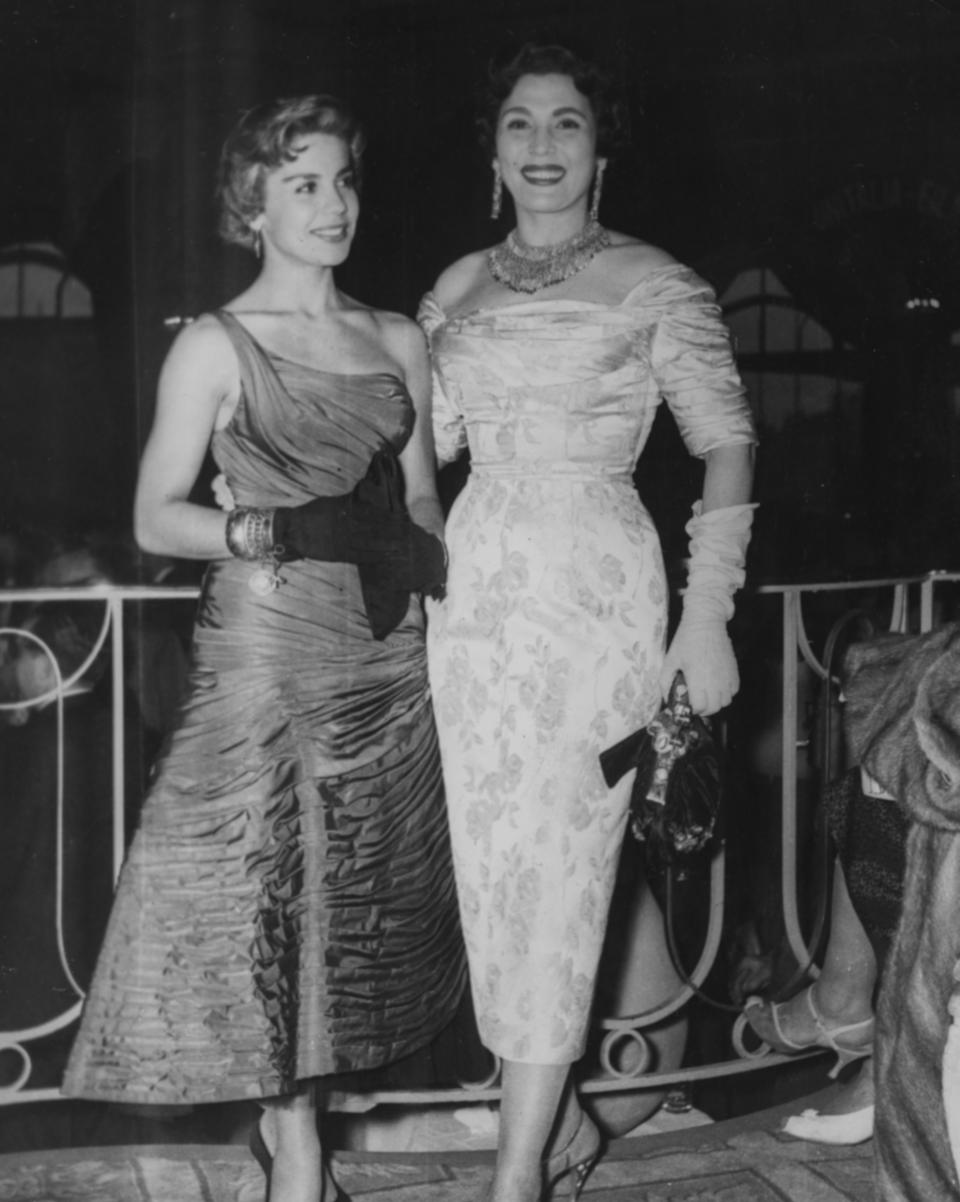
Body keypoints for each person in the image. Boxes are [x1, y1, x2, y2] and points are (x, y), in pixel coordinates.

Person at [63, 95, 465, 1202]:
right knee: (260, 891)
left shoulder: (397, 340)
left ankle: (297, 1136)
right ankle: (296, 1149)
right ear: (254, 204)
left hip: (379, 657)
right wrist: (275, 527)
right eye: (304, 185)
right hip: (264, 647)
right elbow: (154, 516)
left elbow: (424, 489)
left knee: (350, 902)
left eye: (342, 181)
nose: (333, 205)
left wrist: (418, 557)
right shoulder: (214, 344)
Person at [418, 43, 757, 1202]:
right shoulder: (455, 290)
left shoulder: (655, 279)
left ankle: (516, 1173)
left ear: (601, 150)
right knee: (492, 870)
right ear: (495, 147)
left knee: (566, 866)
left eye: (568, 124)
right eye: (521, 123)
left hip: (602, 596)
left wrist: (704, 618)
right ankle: (550, 1112)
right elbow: (417, 458)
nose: (544, 146)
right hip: (471, 602)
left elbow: (727, 443)